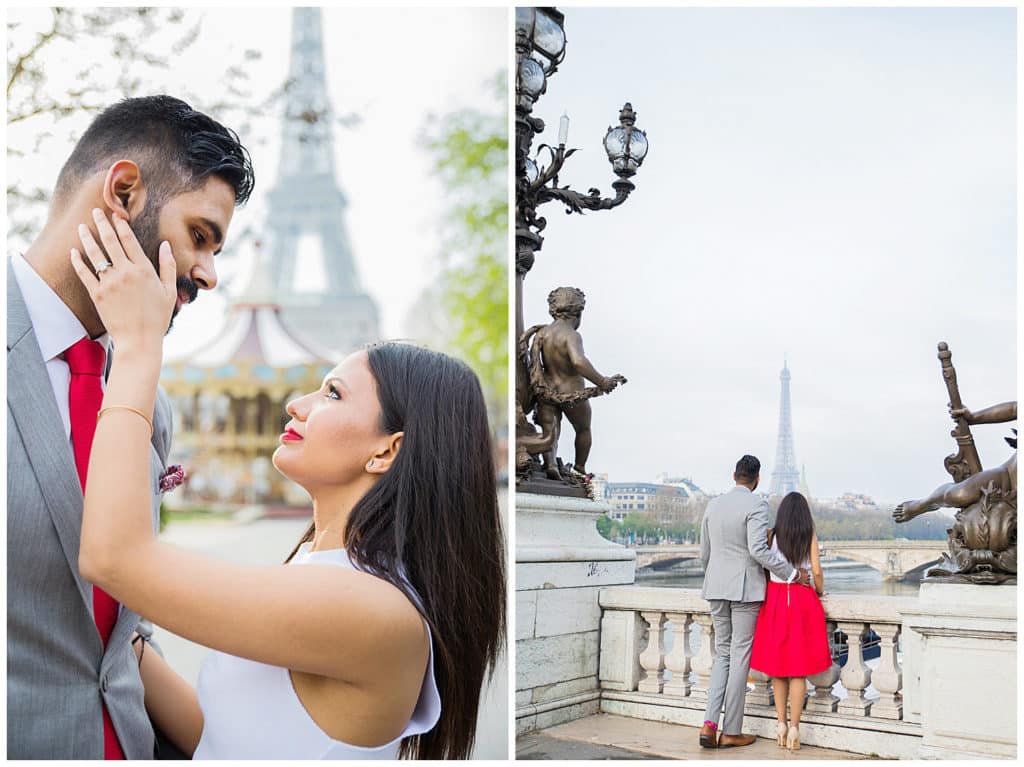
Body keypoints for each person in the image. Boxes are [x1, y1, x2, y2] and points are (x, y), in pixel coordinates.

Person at [69, 212, 506, 759]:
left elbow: (114, 557)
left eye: (333, 394)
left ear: (386, 449)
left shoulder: (370, 607)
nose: (297, 404)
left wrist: (137, 349)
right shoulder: (334, 576)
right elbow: (226, 735)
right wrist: (125, 645)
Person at [7, 95, 254, 759]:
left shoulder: (151, 404)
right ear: (123, 190)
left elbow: (122, 630)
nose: (208, 271)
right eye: (200, 235)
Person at [698, 455, 810, 749]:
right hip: (744, 589)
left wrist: (715, 577)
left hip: (715, 586)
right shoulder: (756, 505)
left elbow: (704, 554)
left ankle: (709, 724)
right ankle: (731, 730)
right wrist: (792, 574)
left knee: (722, 655)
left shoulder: (713, 505)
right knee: (740, 657)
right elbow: (758, 550)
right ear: (757, 478)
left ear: (734, 474)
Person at [749, 492, 832, 751]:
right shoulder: (809, 534)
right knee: (799, 669)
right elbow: (816, 571)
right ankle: (796, 728)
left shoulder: (771, 535)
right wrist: (819, 590)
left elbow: (764, 566)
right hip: (802, 601)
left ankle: (781, 725)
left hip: (774, 600)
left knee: (777, 668)